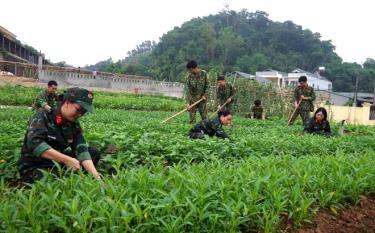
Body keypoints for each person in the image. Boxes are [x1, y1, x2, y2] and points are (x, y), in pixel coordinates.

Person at [18, 87, 101, 183]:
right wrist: (66, 160)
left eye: (83, 112)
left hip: (58, 161)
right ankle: (66, 176)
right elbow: (35, 144)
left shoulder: (74, 124)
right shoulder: (43, 115)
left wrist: (97, 178)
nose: (80, 115)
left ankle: (75, 176)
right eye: (78, 110)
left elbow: (81, 148)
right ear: (67, 103)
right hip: (37, 163)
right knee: (52, 180)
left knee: (93, 153)